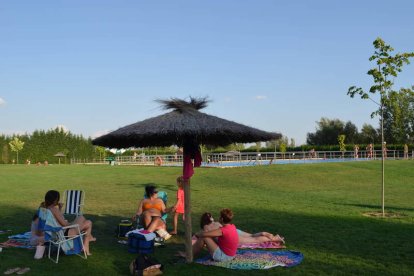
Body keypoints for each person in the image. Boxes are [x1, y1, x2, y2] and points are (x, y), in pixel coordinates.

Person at [42, 190, 95, 255]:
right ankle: (87, 242)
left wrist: (60, 208)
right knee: (83, 219)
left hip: (58, 233)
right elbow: (64, 224)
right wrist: (72, 223)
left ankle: (86, 244)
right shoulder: (54, 209)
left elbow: (56, 220)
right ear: (55, 200)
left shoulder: (45, 209)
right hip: (66, 234)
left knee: (88, 222)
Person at [199, 212, 285, 245]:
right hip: (233, 231)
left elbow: (208, 236)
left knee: (253, 240)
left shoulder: (206, 227)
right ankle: (268, 235)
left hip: (229, 235)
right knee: (251, 236)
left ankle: (274, 238)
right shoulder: (216, 222)